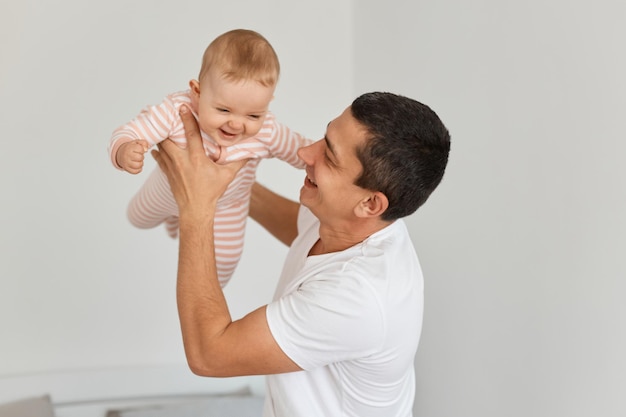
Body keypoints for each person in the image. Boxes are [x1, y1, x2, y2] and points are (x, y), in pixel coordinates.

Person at [152, 92, 451, 417]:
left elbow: (209, 355)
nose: (305, 152)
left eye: (330, 156)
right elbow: (297, 226)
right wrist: (218, 173)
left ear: (370, 204)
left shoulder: (357, 297)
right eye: (325, 137)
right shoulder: (353, 220)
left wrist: (196, 207)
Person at [108, 29, 311, 286]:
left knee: (224, 263)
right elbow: (131, 131)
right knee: (137, 218)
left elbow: (302, 151)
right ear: (197, 91)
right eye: (224, 109)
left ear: (268, 104)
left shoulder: (268, 131)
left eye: (253, 116)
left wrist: (330, 156)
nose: (237, 124)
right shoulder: (176, 111)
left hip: (228, 206)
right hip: (166, 190)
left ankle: (196, 253)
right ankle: (175, 218)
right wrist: (124, 149)